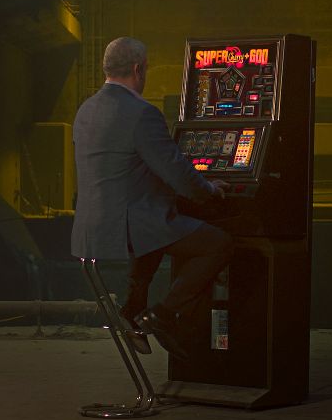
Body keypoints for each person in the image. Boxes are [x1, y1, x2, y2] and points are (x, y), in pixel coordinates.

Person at [71, 37, 232, 359]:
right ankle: (163, 315)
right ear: (138, 69)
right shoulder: (141, 113)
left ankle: (132, 310)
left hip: (91, 228)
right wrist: (210, 191)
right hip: (128, 226)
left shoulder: (86, 109)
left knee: (158, 220)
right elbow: (176, 171)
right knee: (219, 243)